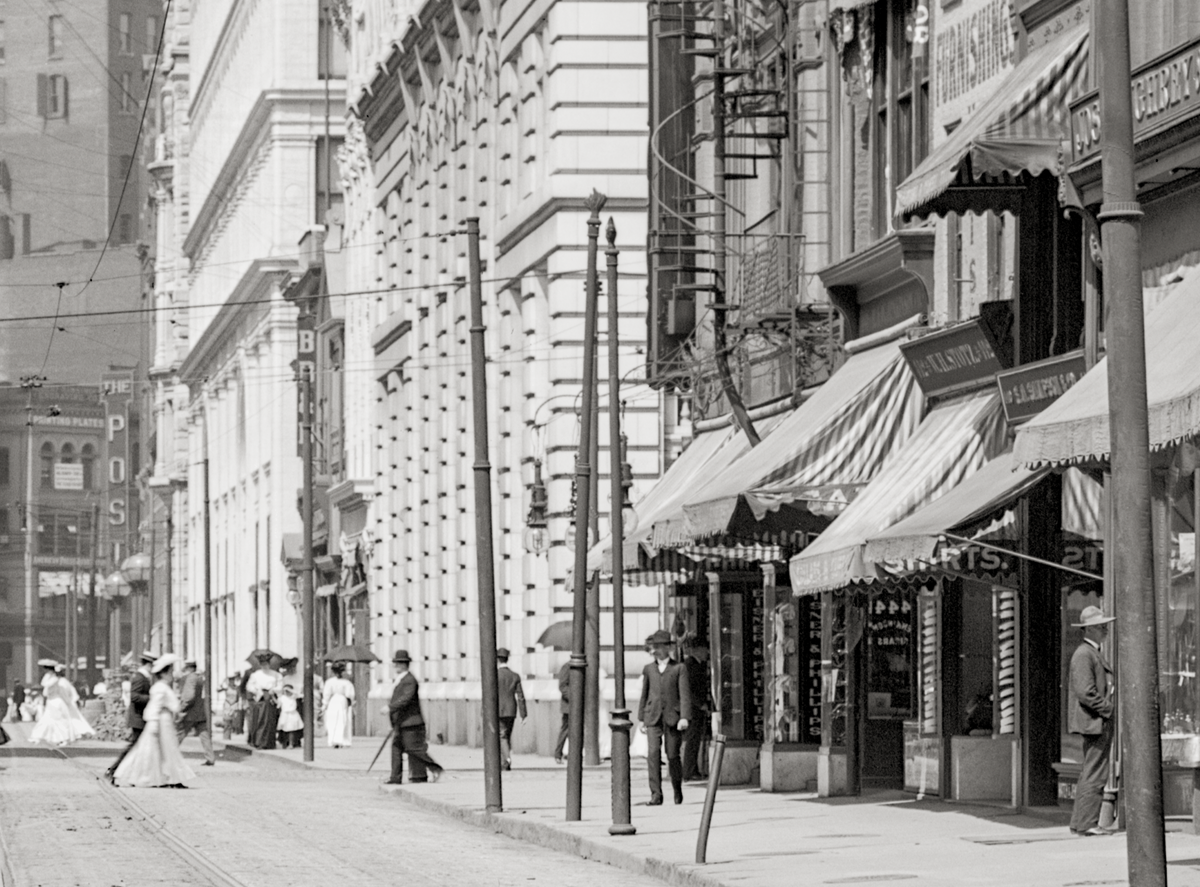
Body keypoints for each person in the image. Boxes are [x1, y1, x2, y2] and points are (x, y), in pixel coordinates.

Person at [114, 654, 196, 789]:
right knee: (157, 751)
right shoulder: (161, 688)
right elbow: (159, 706)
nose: (172, 674)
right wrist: (154, 722)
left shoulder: (161, 686)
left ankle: (165, 778)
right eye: (169, 671)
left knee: (158, 751)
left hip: (161, 721)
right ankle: (165, 778)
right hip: (160, 721)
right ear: (164, 673)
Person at [1068, 605, 1116, 837]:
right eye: (1101, 626)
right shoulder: (1084, 654)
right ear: (1090, 629)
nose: (1105, 629)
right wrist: (1108, 709)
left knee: (1092, 770)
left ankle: (1082, 822)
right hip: (1095, 722)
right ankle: (1087, 823)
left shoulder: (1089, 653)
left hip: (1096, 721)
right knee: (1095, 772)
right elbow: (1085, 692)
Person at [638, 629, 691, 805]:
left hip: (672, 718)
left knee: (672, 755)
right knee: (653, 754)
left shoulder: (679, 668)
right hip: (653, 717)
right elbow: (644, 695)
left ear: (668, 648)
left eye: (660, 647)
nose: (657, 650)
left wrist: (684, 717)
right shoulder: (649, 669)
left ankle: (677, 788)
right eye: (655, 647)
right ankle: (656, 794)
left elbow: (684, 695)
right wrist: (641, 718)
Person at [386, 650, 442, 784]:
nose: (395, 666)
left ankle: (436, 768)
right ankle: (395, 778)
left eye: (398, 663)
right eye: (395, 663)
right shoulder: (400, 680)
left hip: (411, 723)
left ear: (404, 665)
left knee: (414, 750)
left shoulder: (410, 680)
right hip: (402, 723)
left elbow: (406, 699)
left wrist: (390, 707)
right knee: (396, 749)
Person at [105, 651, 155, 784]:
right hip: (138, 718)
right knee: (134, 748)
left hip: (140, 717)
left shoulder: (143, 676)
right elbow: (135, 697)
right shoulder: (140, 677)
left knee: (137, 748)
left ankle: (121, 772)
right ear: (149, 664)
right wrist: (153, 698)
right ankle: (114, 770)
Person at [30, 660, 95, 747]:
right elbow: (44, 685)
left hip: (56, 703)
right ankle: (39, 736)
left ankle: (64, 738)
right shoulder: (52, 678)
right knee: (47, 720)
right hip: (51, 702)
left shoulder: (55, 680)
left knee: (60, 722)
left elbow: (47, 685)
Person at [680, 636, 712, 782]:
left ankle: (693, 769)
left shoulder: (698, 664)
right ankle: (689, 771)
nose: (707, 653)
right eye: (705, 650)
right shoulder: (689, 665)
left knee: (696, 740)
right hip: (693, 709)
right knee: (692, 740)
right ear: (698, 650)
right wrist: (700, 704)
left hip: (697, 708)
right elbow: (689, 690)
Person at [176, 660, 215, 766]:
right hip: (200, 711)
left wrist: (182, 707)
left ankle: (169, 755)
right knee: (204, 735)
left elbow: (189, 696)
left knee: (179, 734)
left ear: (189, 668)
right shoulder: (199, 678)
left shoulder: (191, 678)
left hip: (190, 712)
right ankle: (210, 757)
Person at [495, 648, 527, 771]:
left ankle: (507, 759)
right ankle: (504, 762)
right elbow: (520, 696)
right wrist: (523, 714)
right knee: (506, 735)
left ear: (498, 659)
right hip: (511, 710)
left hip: (498, 710)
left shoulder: (494, 675)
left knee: (502, 736)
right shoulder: (515, 676)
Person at [247, 655, 283, 749]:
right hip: (260, 698)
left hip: (270, 697)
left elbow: (280, 686)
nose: (264, 666)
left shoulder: (275, 674)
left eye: (266, 664)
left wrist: (274, 689)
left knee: (269, 721)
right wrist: (256, 690)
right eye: (262, 664)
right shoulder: (255, 675)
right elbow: (249, 686)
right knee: (259, 720)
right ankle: (258, 742)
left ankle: (268, 743)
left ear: (269, 664)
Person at [322, 662, 355, 748]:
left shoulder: (329, 682)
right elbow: (350, 694)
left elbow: (327, 694)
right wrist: (350, 702)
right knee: (343, 719)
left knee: (332, 720)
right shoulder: (347, 682)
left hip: (333, 701)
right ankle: (343, 740)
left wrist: (325, 704)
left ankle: (333, 740)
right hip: (342, 700)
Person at [553, 660, 571, 764]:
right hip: (569, 705)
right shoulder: (567, 667)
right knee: (566, 730)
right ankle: (558, 754)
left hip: (581, 705)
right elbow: (562, 686)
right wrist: (574, 698)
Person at [222, 675, 244, 740]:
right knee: (227, 721)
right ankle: (226, 736)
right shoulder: (226, 687)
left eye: (232, 680)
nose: (231, 682)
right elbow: (218, 689)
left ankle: (236, 732)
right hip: (227, 704)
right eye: (230, 680)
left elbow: (240, 696)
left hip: (235, 705)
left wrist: (239, 705)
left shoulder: (237, 688)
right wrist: (223, 681)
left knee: (235, 721)